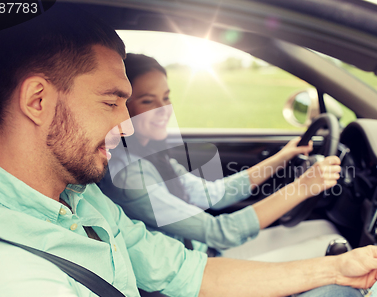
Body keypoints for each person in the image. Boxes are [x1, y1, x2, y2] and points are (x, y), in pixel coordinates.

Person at [0, 4, 377, 297]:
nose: (127, 127)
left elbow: (187, 270)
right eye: (111, 102)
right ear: (37, 101)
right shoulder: (2, 276)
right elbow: (217, 233)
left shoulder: (81, 199)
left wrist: (336, 269)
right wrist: (302, 187)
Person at [98, 53, 345, 257]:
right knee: (334, 244)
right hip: (197, 265)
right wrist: (303, 187)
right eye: (148, 101)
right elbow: (219, 231)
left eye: (166, 98)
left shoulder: (149, 152)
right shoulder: (129, 175)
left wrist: (281, 158)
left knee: (325, 231)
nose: (164, 110)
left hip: (201, 251)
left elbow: (212, 194)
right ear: (123, 107)